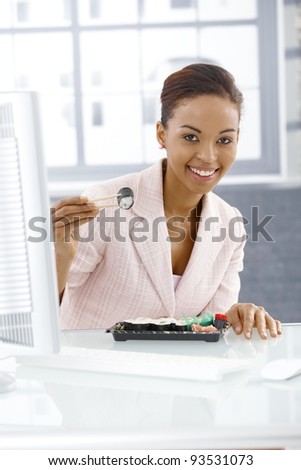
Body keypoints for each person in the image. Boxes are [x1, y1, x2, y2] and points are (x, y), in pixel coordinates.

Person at [54, 63, 282, 340]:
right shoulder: (105, 205)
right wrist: (60, 256)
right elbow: (43, 310)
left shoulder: (229, 225)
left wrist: (233, 315)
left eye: (224, 140)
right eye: (190, 137)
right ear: (162, 134)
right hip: (89, 375)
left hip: (172, 379)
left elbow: (209, 328)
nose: (208, 156)